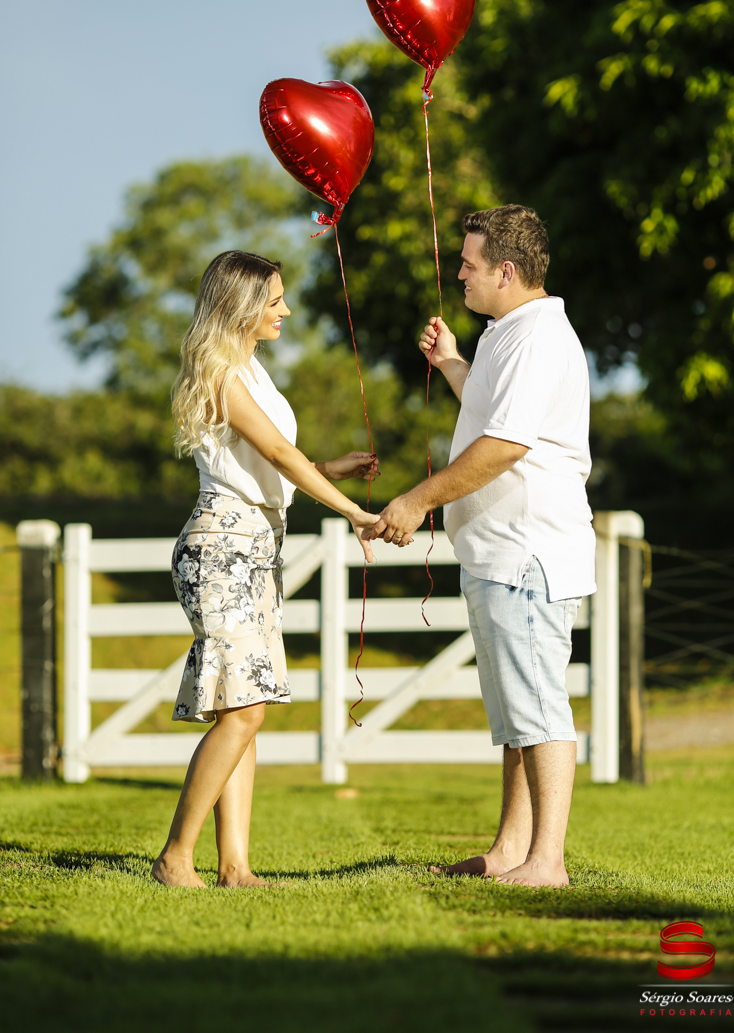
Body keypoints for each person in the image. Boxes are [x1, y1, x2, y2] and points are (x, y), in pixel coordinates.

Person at [371, 205, 595, 888]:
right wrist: (452, 364)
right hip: (499, 551)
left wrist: (418, 499)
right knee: (515, 716)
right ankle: (508, 853)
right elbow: (493, 414)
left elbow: (506, 445)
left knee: (538, 708)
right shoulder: (505, 333)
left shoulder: (538, 337)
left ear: (505, 269)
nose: (458, 274)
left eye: (468, 265)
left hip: (528, 551)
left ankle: (547, 862)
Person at [152, 250, 380, 889]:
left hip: (255, 548)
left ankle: (235, 866)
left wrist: (330, 470)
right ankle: (175, 857)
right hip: (221, 547)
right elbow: (276, 452)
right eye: (274, 298)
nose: (284, 309)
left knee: (244, 704)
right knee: (245, 711)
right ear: (242, 305)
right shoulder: (223, 372)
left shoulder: (252, 371)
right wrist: (355, 515)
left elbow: (276, 457)